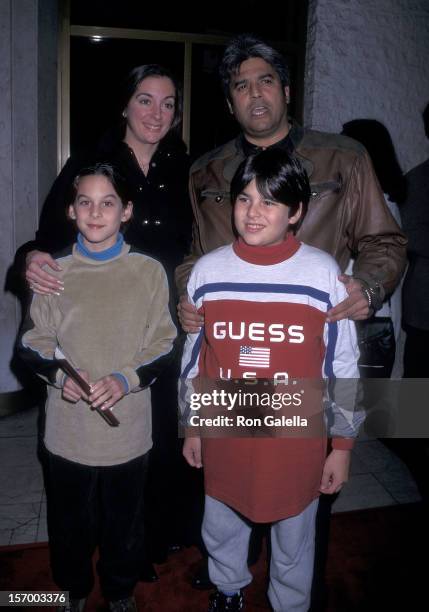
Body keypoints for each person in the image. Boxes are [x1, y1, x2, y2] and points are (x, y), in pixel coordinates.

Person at [175, 34, 407, 607]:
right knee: (226, 500)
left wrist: (365, 289)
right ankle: (229, 579)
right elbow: (194, 257)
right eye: (240, 85)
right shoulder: (207, 169)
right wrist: (187, 298)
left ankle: (293, 593)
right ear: (229, 101)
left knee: (300, 512)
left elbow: (384, 240)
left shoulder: (343, 156)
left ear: (285, 89)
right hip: (232, 371)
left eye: (265, 81)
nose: (254, 94)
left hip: (304, 369)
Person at [21, 63, 193, 573]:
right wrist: (31, 257)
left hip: (161, 319)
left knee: (158, 440)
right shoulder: (91, 163)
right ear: (125, 105)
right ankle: (79, 563)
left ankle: (139, 554)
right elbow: (48, 233)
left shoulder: (187, 167)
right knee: (85, 462)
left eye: (168, 103)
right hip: (98, 315)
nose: (156, 113)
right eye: (145, 99)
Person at [180, 148, 360, 612]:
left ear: (296, 211)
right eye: (244, 199)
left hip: (295, 432)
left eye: (268, 202)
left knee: (295, 533)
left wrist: (341, 447)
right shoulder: (208, 272)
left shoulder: (322, 275)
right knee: (220, 519)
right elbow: (195, 359)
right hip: (226, 425)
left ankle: (291, 603)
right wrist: (193, 425)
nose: (252, 213)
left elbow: (342, 364)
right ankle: (227, 588)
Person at [17, 163, 177, 612]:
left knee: (124, 524)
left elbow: (164, 344)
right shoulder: (54, 272)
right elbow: (33, 342)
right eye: (84, 202)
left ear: (126, 211)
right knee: (70, 524)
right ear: (70, 210)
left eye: (108, 202)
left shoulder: (148, 273)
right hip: (68, 435)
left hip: (128, 433)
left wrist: (126, 378)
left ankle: (120, 589)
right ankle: (73, 589)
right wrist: (60, 375)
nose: (95, 212)